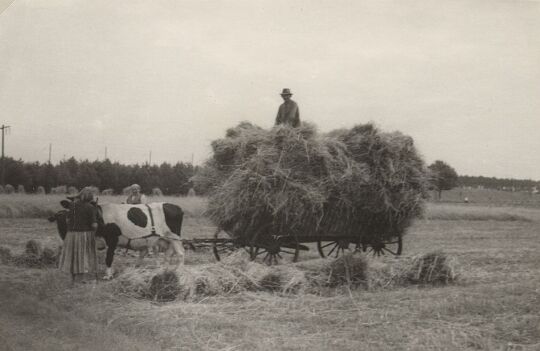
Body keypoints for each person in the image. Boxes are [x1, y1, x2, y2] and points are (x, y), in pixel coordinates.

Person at [58, 187, 98, 284]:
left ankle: (72, 280)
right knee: (82, 256)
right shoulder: (90, 207)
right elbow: (94, 224)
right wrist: (95, 229)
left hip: (71, 235)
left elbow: (67, 220)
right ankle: (80, 281)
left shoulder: (72, 205)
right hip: (84, 234)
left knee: (72, 256)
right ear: (90, 197)